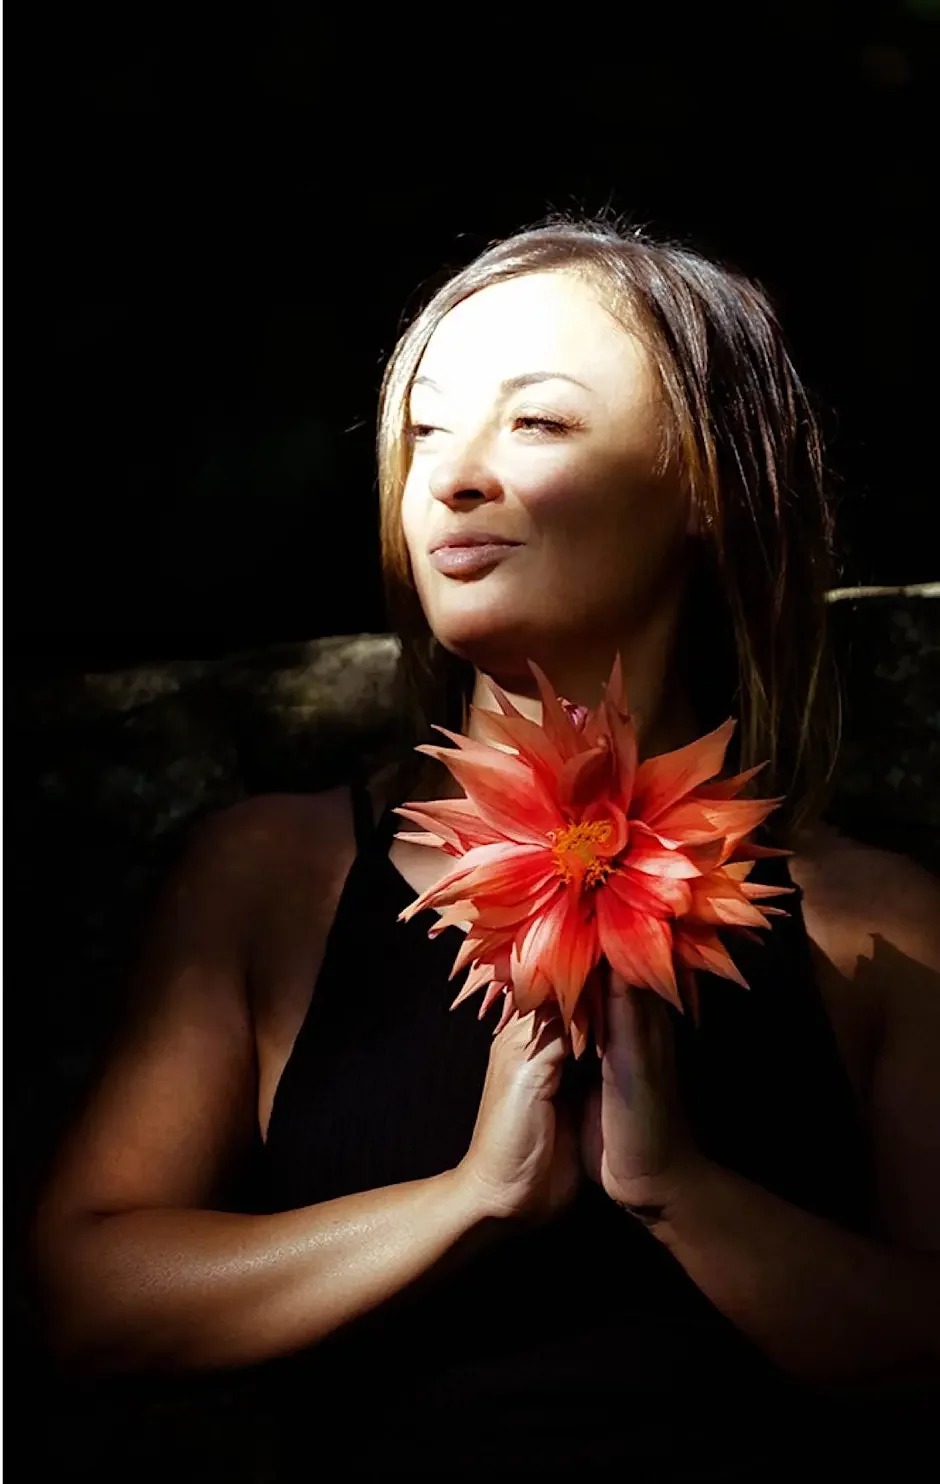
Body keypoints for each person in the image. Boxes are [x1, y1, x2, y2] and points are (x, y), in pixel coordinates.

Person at [32, 217, 940, 1480]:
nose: (452, 476)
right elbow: (72, 1302)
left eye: (539, 422)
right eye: (425, 430)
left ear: (711, 482)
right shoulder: (274, 879)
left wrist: (679, 1187)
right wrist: (467, 1199)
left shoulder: (879, 929)